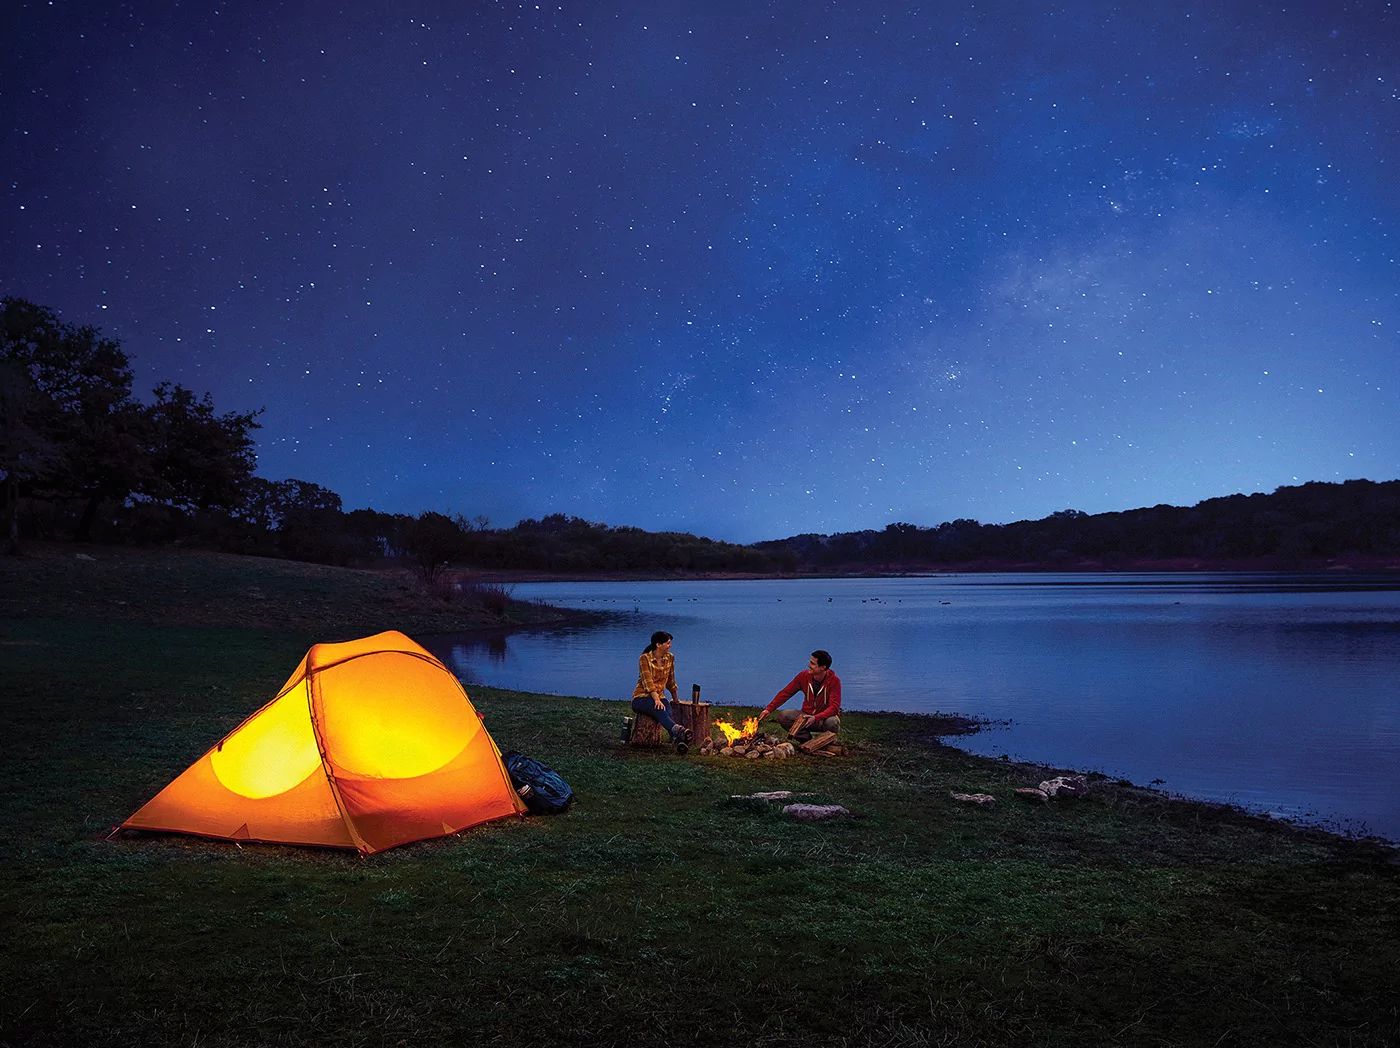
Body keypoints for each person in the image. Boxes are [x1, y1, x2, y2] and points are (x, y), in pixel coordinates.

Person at [631, 630, 692, 753]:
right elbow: (648, 683)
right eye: (668, 643)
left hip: (659, 696)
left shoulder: (670, 657)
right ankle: (679, 731)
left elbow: (671, 681)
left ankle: (677, 740)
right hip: (641, 697)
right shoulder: (645, 659)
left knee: (667, 712)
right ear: (658, 644)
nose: (670, 646)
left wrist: (675, 698)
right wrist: (657, 699)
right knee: (659, 708)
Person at [755, 650, 841, 735]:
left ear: (823, 667)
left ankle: (826, 742)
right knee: (783, 716)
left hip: (822, 719)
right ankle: (806, 741)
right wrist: (769, 709)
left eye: (812, 663)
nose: (808, 665)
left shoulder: (834, 681)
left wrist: (816, 717)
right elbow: (786, 693)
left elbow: (834, 707)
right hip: (805, 715)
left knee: (833, 721)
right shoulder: (803, 676)